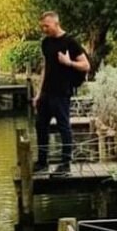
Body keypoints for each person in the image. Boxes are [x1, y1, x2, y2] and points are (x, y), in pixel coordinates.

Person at [34, 11, 90, 175]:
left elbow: (86, 66)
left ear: (56, 23)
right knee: (40, 125)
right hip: (46, 92)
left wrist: (69, 62)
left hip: (62, 92)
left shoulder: (70, 42)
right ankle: (42, 161)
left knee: (63, 127)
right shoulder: (45, 43)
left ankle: (65, 164)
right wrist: (38, 93)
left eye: (47, 26)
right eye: (42, 26)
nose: (44, 29)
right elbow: (46, 67)